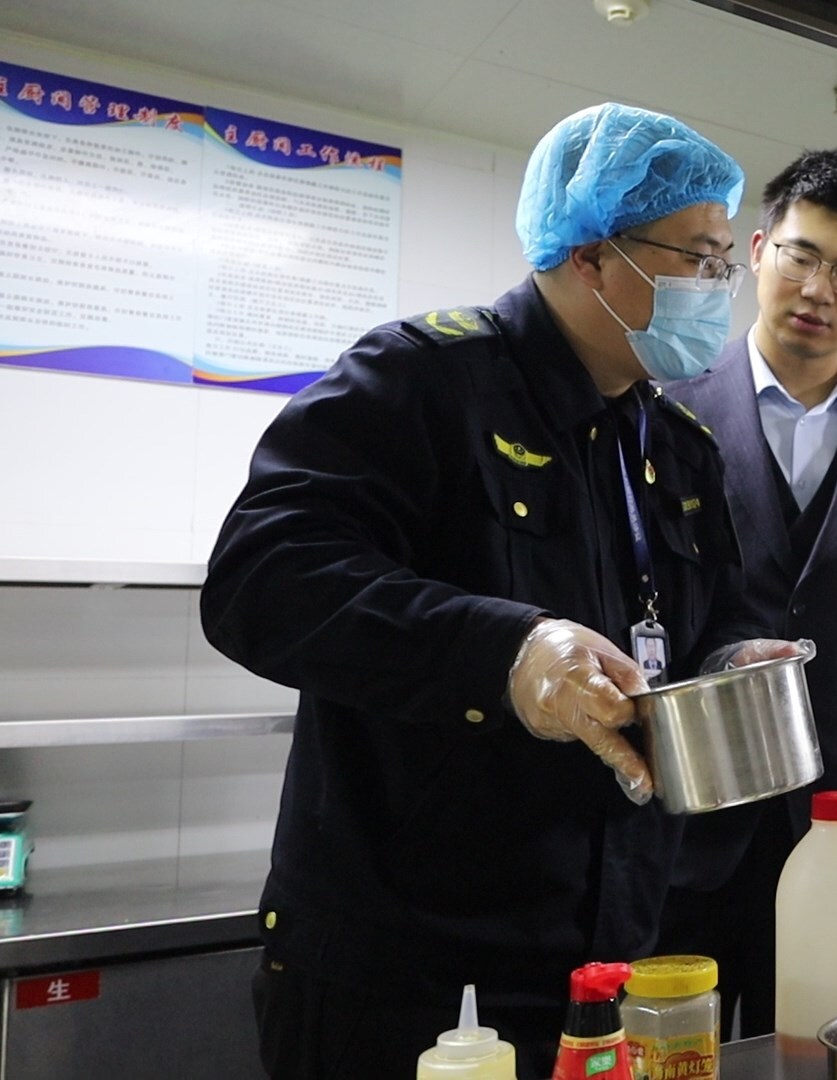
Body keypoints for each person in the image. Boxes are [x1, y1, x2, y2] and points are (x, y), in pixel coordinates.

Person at [201, 103, 802, 1079]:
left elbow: (704, 622)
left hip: (604, 966)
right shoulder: (422, 382)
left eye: (724, 262)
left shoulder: (677, 448)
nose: (717, 288)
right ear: (592, 256)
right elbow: (262, 578)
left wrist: (735, 659)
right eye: (698, 258)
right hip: (407, 979)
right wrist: (507, 654)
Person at [661, 149, 837, 1037]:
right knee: (680, 1048)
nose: (818, 290)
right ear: (757, 252)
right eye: (801, 256)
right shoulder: (665, 405)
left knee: (830, 1046)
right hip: (696, 815)